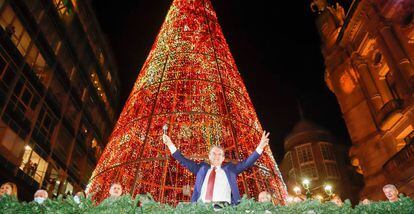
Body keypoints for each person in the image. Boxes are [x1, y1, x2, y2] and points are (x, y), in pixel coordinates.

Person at [162, 130, 270, 205]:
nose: (216, 156)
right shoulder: (202, 169)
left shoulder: (230, 169)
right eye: (214, 153)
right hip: (202, 208)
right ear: (209, 156)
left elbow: (246, 163)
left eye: (219, 154)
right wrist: (170, 144)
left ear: (223, 158)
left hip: (224, 209)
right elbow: (183, 160)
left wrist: (260, 147)